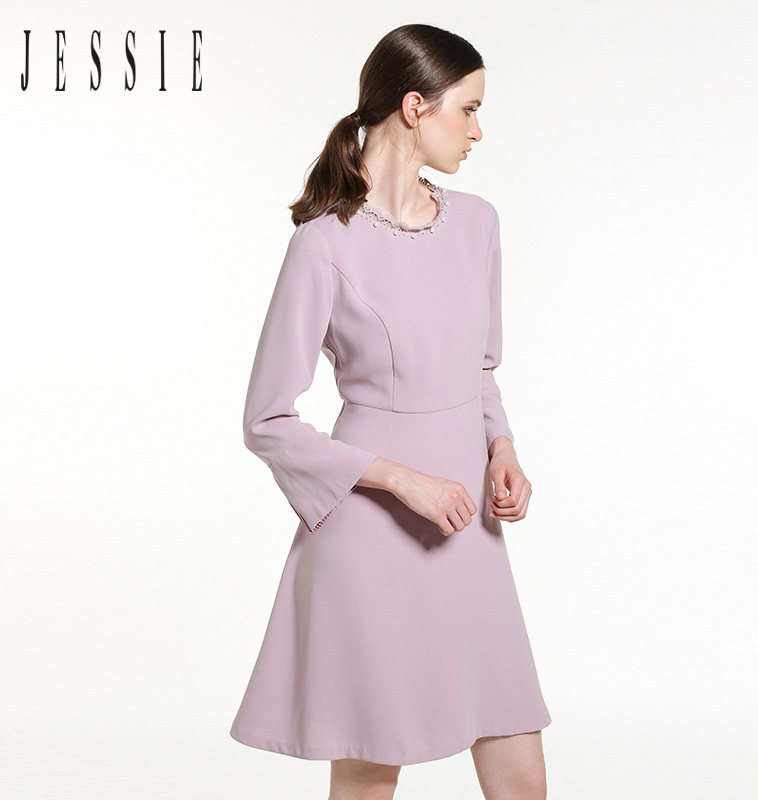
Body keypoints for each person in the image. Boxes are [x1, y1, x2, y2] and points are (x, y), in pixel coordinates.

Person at [229, 23, 551, 800]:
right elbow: (267, 419)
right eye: (468, 109)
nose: (477, 131)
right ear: (414, 107)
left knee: (518, 764)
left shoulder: (478, 223)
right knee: (372, 769)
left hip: (469, 524)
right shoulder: (324, 244)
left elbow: (479, 368)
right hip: (371, 529)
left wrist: (502, 446)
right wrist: (402, 480)